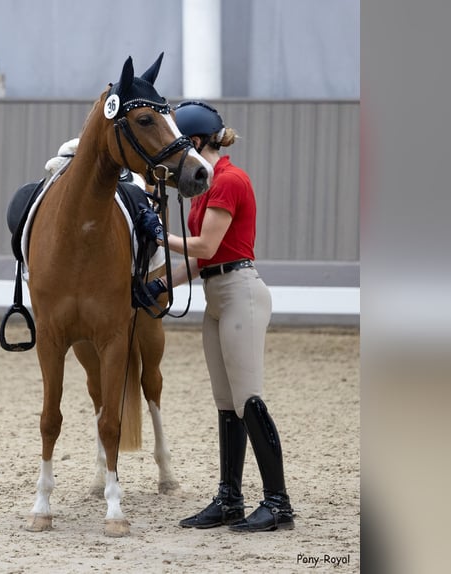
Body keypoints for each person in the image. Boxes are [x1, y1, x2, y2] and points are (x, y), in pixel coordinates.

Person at [140, 101, 295, 532]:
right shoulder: (207, 188)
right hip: (216, 294)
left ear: (192, 142)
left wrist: (157, 233)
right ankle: (230, 499)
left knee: (249, 399)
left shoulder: (229, 180)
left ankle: (278, 503)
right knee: (227, 404)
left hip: (241, 292)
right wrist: (159, 286)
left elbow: (205, 246)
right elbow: (200, 261)